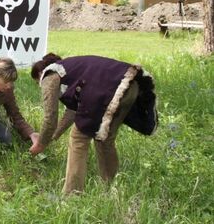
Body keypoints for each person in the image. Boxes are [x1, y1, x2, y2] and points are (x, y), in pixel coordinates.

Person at [29, 53, 158, 194]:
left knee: (78, 139)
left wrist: (41, 144)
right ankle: (109, 188)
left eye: (37, 83)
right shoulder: (70, 70)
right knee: (104, 138)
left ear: (40, 74)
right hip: (130, 86)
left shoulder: (49, 75)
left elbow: (50, 118)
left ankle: (72, 194)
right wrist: (52, 136)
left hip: (107, 89)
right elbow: (72, 112)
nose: (39, 86)